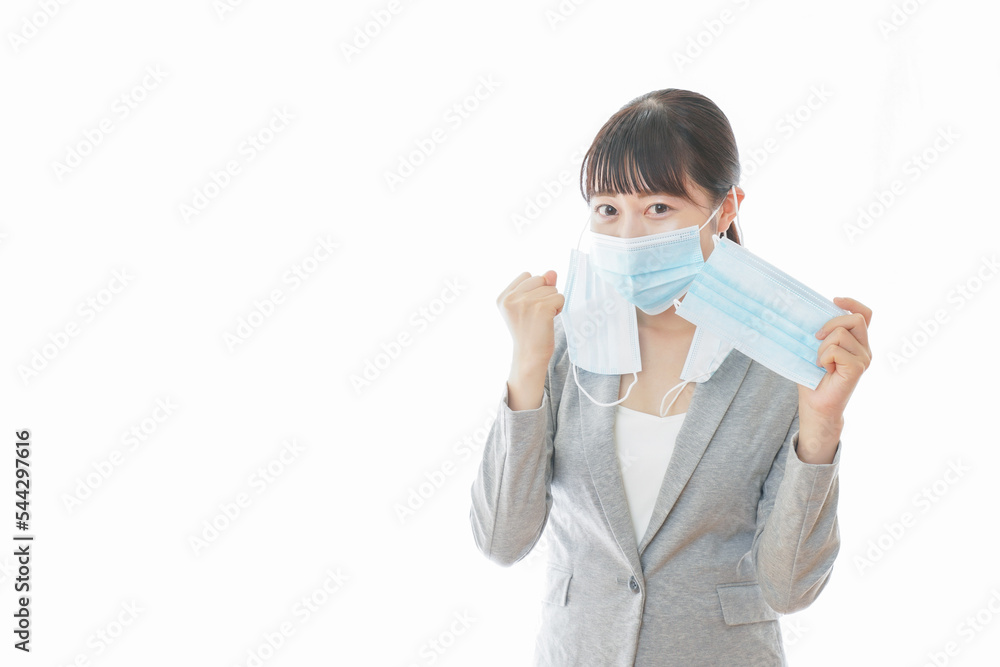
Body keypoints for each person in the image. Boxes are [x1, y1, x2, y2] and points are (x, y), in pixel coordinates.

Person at [469, 88, 872, 666]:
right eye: (608, 210)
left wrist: (823, 426)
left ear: (725, 209)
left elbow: (789, 589)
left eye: (659, 207)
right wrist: (526, 367)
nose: (628, 237)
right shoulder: (562, 345)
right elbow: (502, 541)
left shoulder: (783, 359)